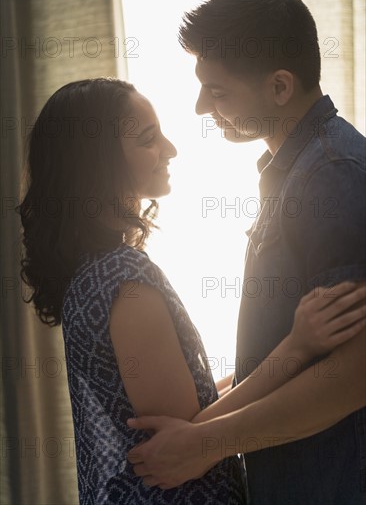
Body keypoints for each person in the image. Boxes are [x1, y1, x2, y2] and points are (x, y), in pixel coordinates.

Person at [17, 77, 365, 504]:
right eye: (148, 140)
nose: (170, 149)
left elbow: (193, 402)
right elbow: (188, 433)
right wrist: (297, 346)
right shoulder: (124, 282)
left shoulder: (93, 274)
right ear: (97, 165)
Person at [126, 0, 366, 504]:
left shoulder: (332, 173)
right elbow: (288, 348)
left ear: (280, 87)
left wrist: (204, 444)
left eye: (217, 91)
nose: (198, 109)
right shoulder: (296, 171)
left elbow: (352, 375)